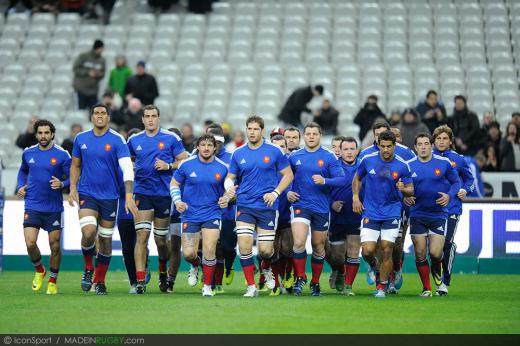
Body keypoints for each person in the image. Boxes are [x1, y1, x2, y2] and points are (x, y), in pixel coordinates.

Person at [68, 104, 138, 295]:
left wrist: (129, 195)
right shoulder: (81, 139)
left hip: (110, 196)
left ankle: (100, 282)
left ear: (108, 117)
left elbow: (127, 168)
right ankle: (88, 268)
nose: (99, 116)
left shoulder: (117, 140)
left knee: (105, 241)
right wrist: (73, 188)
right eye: (96, 113)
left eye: (103, 113)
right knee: (89, 232)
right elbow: (75, 166)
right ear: (92, 117)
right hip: (87, 193)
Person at [224, 115, 294, 297]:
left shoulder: (274, 151)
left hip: (267, 207)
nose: (252, 132)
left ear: (262, 131)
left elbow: (288, 175)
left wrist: (276, 193)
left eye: (256, 129)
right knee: (244, 247)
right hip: (245, 205)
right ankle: (251, 286)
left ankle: (267, 268)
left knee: (265, 250)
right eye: (249, 129)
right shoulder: (238, 153)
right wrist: (229, 189)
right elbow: (229, 178)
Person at [127, 105, 187, 294]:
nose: (151, 119)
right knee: (142, 237)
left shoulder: (171, 138)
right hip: (142, 193)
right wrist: (133, 167)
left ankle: (162, 271)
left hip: (163, 195)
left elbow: (184, 160)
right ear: (142, 120)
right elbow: (125, 160)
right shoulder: (134, 140)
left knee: (161, 241)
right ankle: (140, 281)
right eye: (147, 116)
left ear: (159, 118)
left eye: (154, 116)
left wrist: (169, 165)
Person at [352, 130, 414, 298]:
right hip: (370, 211)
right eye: (383, 146)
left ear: (395, 146)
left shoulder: (402, 164)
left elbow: (411, 189)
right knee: (367, 251)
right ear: (378, 145)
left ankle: (382, 286)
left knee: (387, 249)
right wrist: (356, 198)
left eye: (389, 146)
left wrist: (404, 189)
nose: (386, 150)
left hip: (392, 212)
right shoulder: (367, 160)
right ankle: (373, 264)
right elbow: (357, 178)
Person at [287, 122, 345, 296]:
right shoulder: (294, 156)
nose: (311, 136)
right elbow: (283, 178)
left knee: (318, 246)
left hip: (320, 207)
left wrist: (325, 181)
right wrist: (288, 192)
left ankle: (315, 282)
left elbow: (342, 179)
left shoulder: (329, 157)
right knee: (298, 242)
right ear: (303, 137)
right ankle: (300, 277)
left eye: (315, 134)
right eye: (308, 134)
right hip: (300, 205)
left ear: (320, 136)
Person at [16, 119, 71, 295]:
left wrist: (62, 184)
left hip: (53, 207)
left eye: (46, 133)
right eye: (40, 133)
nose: (43, 136)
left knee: (54, 246)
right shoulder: (28, 153)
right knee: (30, 243)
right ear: (36, 134)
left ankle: (53, 282)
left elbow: (74, 177)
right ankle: (40, 270)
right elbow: (23, 171)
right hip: (32, 204)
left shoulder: (62, 155)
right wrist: (20, 186)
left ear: (52, 134)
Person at [170, 134, 229, 297]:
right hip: (190, 214)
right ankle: (195, 265)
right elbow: (174, 184)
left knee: (210, 249)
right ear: (197, 147)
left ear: (215, 147)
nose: (206, 148)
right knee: (189, 254)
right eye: (203, 145)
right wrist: (177, 201)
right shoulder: (186, 165)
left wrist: (227, 198)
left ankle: (207, 286)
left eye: (210, 145)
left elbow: (230, 188)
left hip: (212, 213)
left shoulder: (223, 167)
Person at [406, 133, 461, 297]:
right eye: (419, 144)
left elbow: (456, 182)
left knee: (436, 253)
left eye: (426, 143)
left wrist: (450, 195)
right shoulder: (408, 165)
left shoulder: (443, 163)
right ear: (415, 148)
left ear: (431, 146)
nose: (423, 147)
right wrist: (404, 196)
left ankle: (439, 273)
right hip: (417, 214)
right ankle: (426, 288)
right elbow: (399, 186)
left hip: (438, 214)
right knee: (420, 253)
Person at [433, 125, 475, 291]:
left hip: (452, 208)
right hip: (432, 209)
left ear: (450, 141)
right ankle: (436, 274)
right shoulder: (426, 157)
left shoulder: (459, 159)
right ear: (433, 141)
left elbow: (470, 180)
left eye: (445, 138)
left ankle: (445, 282)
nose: (441, 141)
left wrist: (465, 189)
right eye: (438, 138)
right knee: (433, 248)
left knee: (446, 244)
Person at [328, 137, 362, 296]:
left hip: (356, 216)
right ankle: (339, 271)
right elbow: (322, 191)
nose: (349, 152)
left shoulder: (364, 166)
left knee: (354, 251)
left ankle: (348, 286)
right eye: (346, 149)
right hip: (336, 218)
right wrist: (331, 204)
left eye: (352, 149)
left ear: (357, 150)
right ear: (340, 151)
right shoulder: (333, 167)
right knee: (337, 256)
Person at [206, 124, 236, 293]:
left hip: (228, 211)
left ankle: (230, 265)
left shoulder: (232, 159)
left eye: (215, 143)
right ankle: (215, 283)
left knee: (227, 248)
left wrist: (230, 197)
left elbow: (237, 183)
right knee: (212, 247)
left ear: (221, 143)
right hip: (208, 211)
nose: (211, 146)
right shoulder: (200, 157)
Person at [269, 134, 293, 294]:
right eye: (275, 147)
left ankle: (288, 276)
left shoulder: (293, 167)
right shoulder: (265, 166)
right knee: (272, 250)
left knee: (287, 249)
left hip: (288, 214)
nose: (279, 150)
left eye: (281, 146)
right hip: (269, 212)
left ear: (286, 148)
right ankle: (276, 283)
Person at [165, 127, 183, 293]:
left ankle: (170, 280)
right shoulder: (158, 158)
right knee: (162, 244)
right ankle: (162, 273)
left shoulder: (185, 163)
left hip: (177, 209)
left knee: (175, 245)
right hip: (160, 204)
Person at [73, 39, 105, 110]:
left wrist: (98, 74)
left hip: (93, 91)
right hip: (81, 90)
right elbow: (75, 69)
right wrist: (88, 73)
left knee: (93, 114)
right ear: (97, 48)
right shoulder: (84, 56)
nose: (102, 51)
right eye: (101, 49)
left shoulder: (102, 60)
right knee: (80, 112)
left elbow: (103, 74)